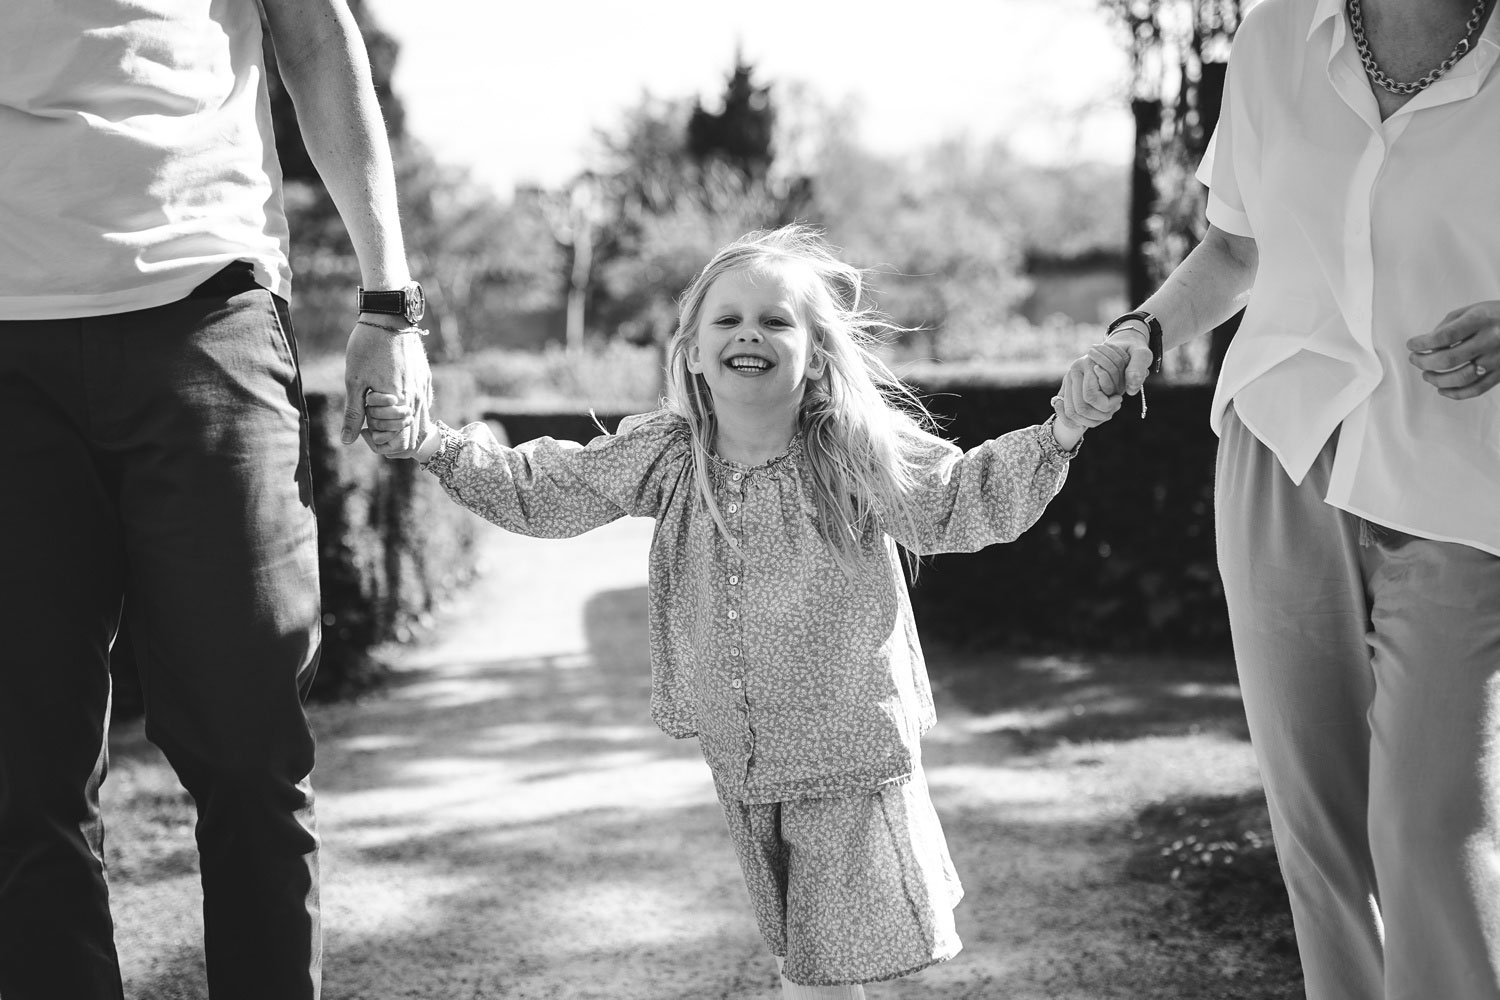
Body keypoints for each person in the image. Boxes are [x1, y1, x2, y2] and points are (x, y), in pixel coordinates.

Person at [361, 225, 1122, 998]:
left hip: (849, 749)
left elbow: (956, 501)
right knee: (809, 962)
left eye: (776, 320)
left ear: (817, 354)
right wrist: (432, 443)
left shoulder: (851, 453)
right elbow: (549, 488)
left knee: (826, 972)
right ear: (693, 351)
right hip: (747, 759)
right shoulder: (669, 454)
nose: (750, 334)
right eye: (727, 320)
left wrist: (1061, 433)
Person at [1063, 0, 1500, 996]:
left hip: (1465, 467)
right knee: (1319, 831)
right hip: (1281, 447)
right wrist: (1142, 332)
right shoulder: (1274, 39)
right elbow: (1234, 248)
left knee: (1429, 826)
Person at [0, 1, 431, 998]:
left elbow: (317, 38)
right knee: (22, 777)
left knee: (248, 753)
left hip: (205, 308)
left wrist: (388, 298)